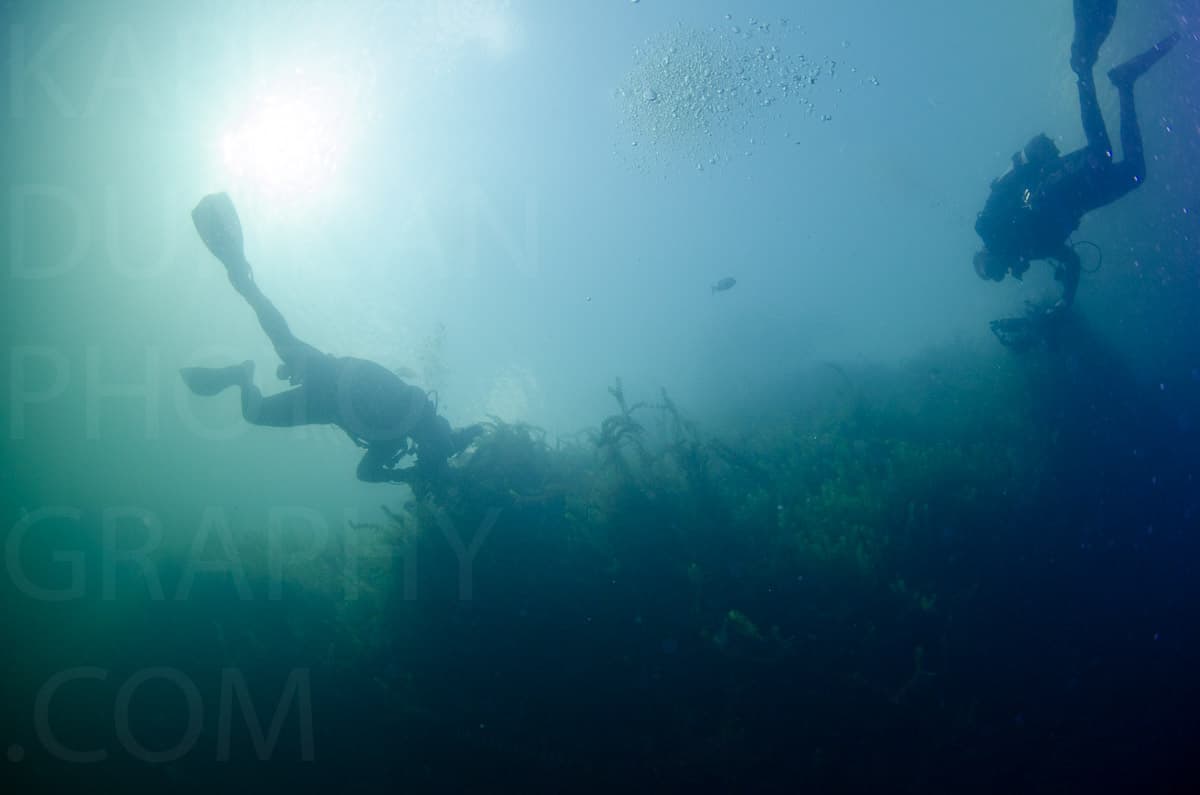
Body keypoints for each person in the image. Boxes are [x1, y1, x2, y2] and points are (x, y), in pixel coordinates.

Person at [180, 192, 481, 484]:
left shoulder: (396, 437)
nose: (427, 450)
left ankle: (241, 373)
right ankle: (244, 280)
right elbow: (365, 382)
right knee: (279, 337)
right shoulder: (405, 407)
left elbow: (366, 474)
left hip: (322, 400)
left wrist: (408, 474)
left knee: (255, 411)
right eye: (433, 443)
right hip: (326, 376)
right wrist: (415, 469)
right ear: (430, 430)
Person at [973, 0, 1178, 319]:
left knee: (1102, 154)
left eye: (990, 269)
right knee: (1136, 174)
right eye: (995, 275)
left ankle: (1083, 69)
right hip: (1079, 200)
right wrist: (1065, 300)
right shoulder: (1032, 250)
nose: (1003, 271)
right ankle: (1123, 83)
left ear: (986, 256)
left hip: (1055, 187)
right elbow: (1070, 261)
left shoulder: (990, 228)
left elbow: (1007, 190)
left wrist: (1030, 170)